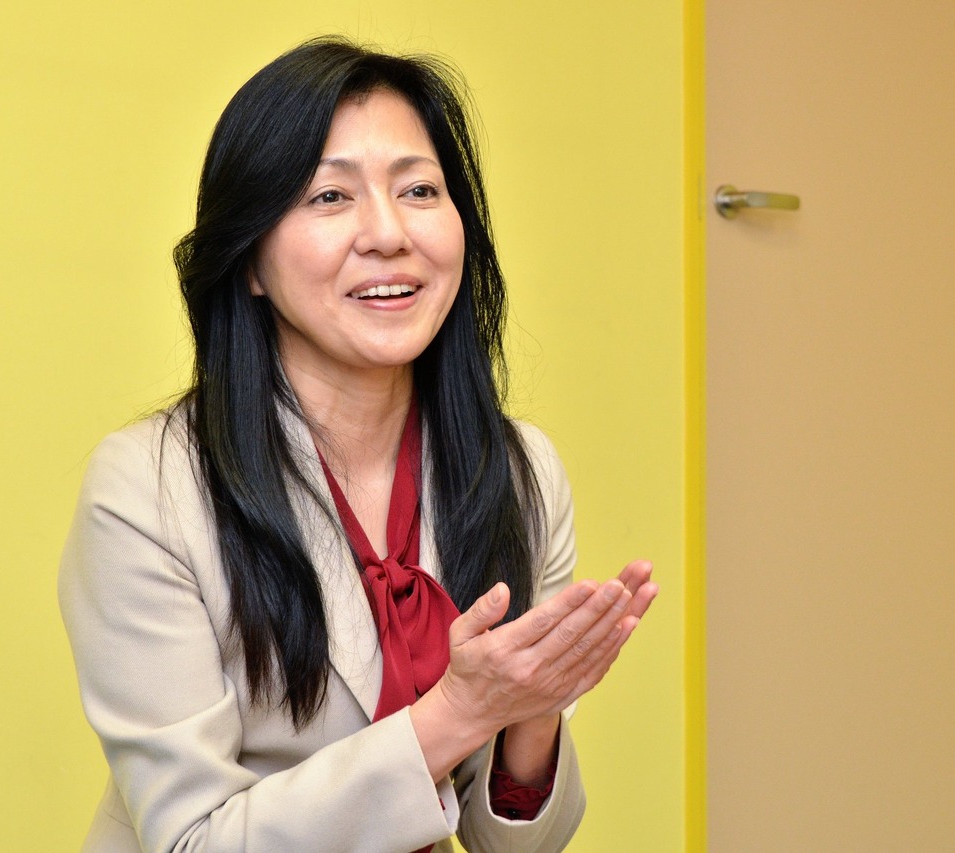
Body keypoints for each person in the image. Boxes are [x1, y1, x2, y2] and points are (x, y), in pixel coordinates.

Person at [58, 36, 658, 853]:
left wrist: (535, 707)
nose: (387, 232)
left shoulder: (519, 471)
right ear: (250, 261)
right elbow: (194, 840)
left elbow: (514, 845)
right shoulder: (146, 489)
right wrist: (457, 713)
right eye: (330, 196)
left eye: (419, 189)